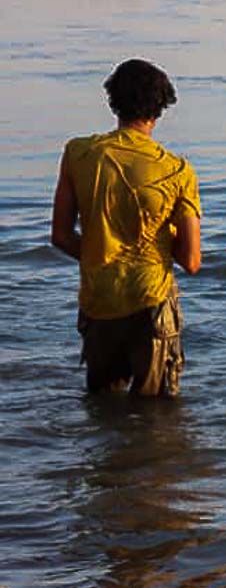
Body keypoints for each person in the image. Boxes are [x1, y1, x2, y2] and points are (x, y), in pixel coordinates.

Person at [49, 58, 201, 397]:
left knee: (103, 409)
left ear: (112, 101)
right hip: (151, 300)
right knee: (157, 417)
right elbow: (191, 261)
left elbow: (60, 236)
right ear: (161, 109)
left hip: (98, 300)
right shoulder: (177, 170)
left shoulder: (78, 153)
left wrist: (98, 255)